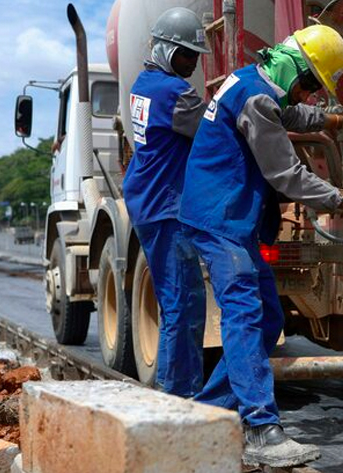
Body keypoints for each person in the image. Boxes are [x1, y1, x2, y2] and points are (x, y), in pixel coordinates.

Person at [179, 25, 343, 467]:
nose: (306, 96)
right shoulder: (257, 98)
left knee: (267, 320)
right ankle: (262, 428)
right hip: (221, 220)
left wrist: (342, 119)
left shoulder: (254, 81)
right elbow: (288, 176)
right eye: (308, 85)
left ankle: (205, 415)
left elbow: (291, 115)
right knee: (246, 315)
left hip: (231, 219)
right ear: (295, 67)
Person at [122, 7, 210, 397]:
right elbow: (215, 131)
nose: (192, 64)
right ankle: (178, 397)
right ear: (165, 50)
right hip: (165, 207)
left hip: (148, 199)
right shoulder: (173, 93)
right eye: (186, 55)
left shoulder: (143, 83)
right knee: (182, 305)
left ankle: (179, 390)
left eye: (195, 57)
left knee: (179, 303)